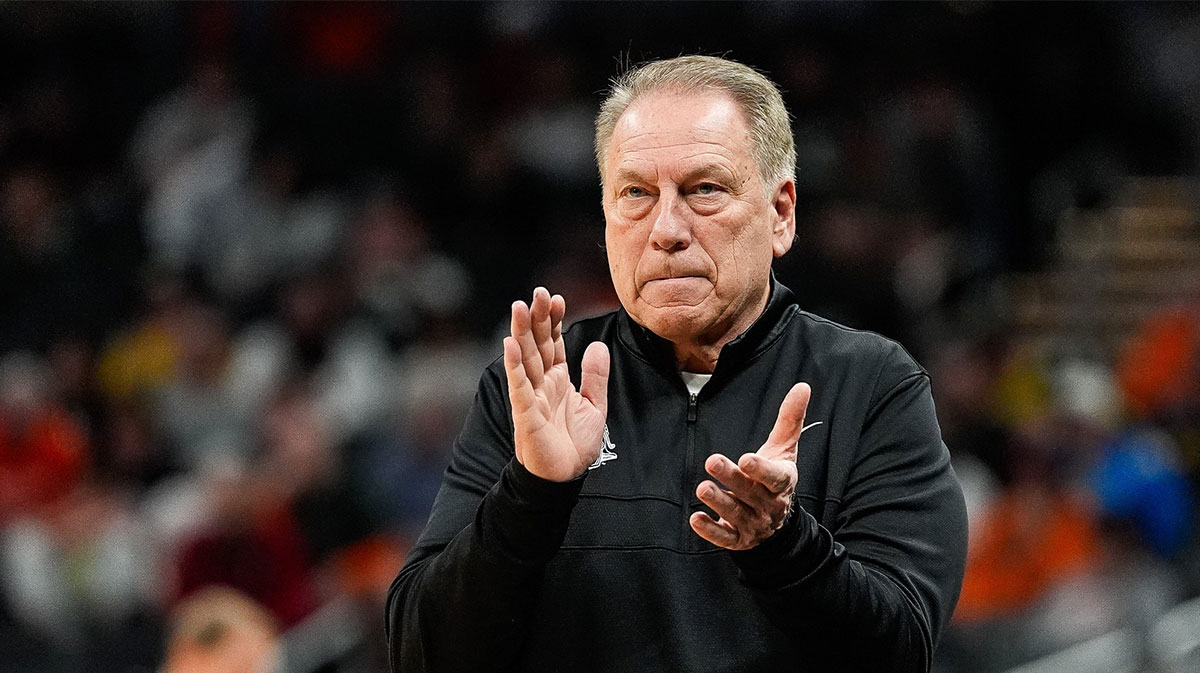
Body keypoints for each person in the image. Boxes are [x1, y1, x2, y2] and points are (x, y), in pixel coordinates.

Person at [385, 55, 967, 673]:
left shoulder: (872, 386)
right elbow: (422, 656)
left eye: (704, 190)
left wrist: (782, 546)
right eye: (635, 193)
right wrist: (531, 494)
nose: (666, 229)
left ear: (781, 213)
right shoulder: (538, 388)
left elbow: (900, 654)